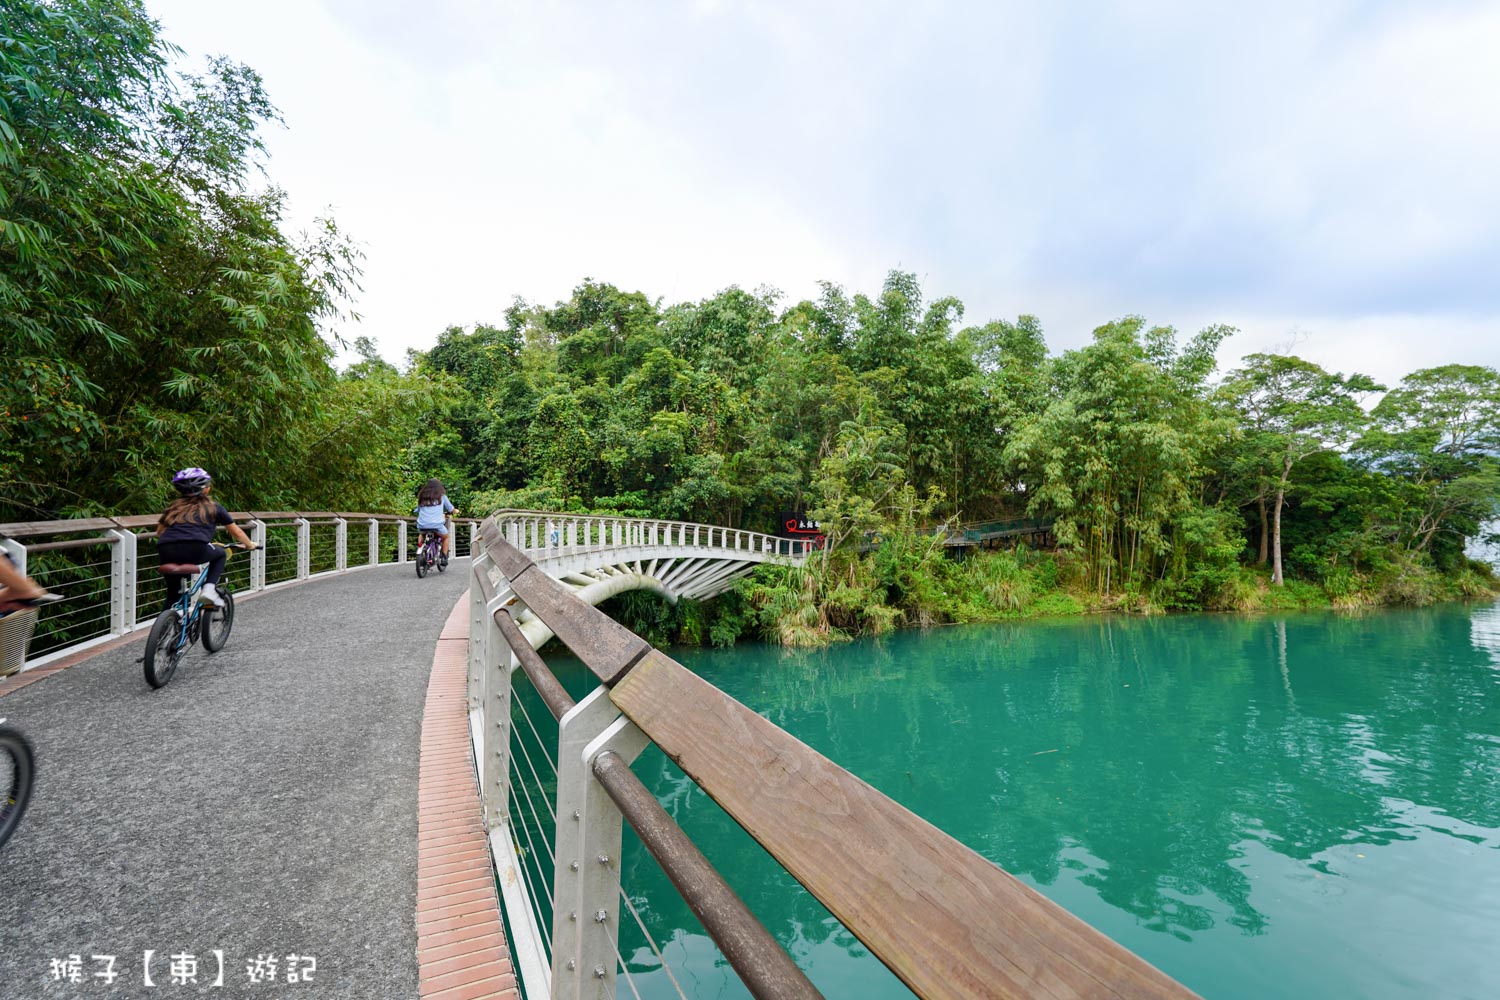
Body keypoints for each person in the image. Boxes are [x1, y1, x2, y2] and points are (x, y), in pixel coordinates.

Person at [155, 467, 256, 608]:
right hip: (196, 548)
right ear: (206, 489)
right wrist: (249, 545)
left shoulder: (173, 507)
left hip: (166, 549)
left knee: (173, 593)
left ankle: (165, 627)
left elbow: (159, 532)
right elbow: (237, 533)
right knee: (220, 554)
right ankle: (208, 589)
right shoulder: (214, 507)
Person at [413, 478, 458, 562]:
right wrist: (456, 511)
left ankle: (420, 547)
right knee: (446, 537)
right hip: (436, 525)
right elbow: (451, 509)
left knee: (422, 534)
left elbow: (418, 510)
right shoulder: (442, 497)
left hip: (422, 524)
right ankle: (444, 558)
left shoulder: (422, 497)